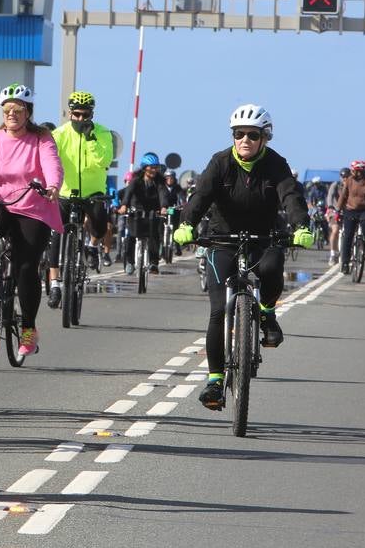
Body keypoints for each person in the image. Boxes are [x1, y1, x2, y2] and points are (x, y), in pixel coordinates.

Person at [172, 104, 313, 410]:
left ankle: (267, 312)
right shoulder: (220, 162)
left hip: (264, 236)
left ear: (265, 137)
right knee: (219, 310)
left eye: (253, 134)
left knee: (273, 268)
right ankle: (214, 380)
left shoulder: (276, 164)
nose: (245, 140)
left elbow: (291, 195)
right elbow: (200, 197)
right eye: (239, 134)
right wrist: (186, 224)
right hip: (222, 238)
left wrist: (301, 226)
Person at [0, 83, 62, 359]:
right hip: (2, 203)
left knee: (26, 265)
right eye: (7, 110)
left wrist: (53, 185)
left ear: (28, 112)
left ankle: (29, 328)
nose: (12, 114)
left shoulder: (41, 137)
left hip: (34, 206)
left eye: (18, 110)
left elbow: (52, 164)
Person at [47, 90, 114, 307]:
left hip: (93, 191)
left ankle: (93, 247)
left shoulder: (102, 133)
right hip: (65, 192)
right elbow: (49, 160)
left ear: (91, 115)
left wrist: (91, 138)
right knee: (56, 234)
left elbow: (104, 160)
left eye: (85, 115)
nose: (80, 119)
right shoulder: (59, 134)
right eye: (76, 115)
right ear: (70, 114)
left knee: (100, 227)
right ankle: (55, 283)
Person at [118, 152, 170, 275]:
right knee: (130, 236)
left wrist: (163, 207)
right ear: (144, 167)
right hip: (136, 211)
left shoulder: (159, 182)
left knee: (154, 236)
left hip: (152, 212)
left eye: (156, 167)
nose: (154, 170)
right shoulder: (136, 180)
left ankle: (153, 263)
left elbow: (163, 194)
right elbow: (128, 193)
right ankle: (130, 262)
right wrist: (124, 205)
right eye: (151, 167)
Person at [335, 159, 365, 274]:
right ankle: (346, 263)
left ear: (361, 171)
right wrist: (338, 211)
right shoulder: (349, 181)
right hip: (350, 210)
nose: (352, 172)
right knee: (348, 236)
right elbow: (343, 196)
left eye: (354, 170)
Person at [325, 167, 349, 265]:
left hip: (347, 212)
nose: (345, 178)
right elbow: (330, 196)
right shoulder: (335, 185)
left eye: (347, 176)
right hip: (334, 211)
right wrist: (330, 206)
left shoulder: (351, 185)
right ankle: (333, 254)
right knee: (335, 230)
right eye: (343, 176)